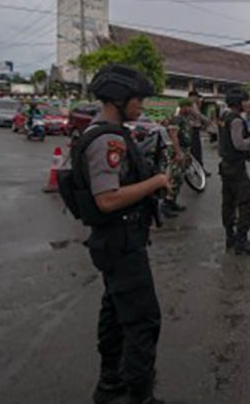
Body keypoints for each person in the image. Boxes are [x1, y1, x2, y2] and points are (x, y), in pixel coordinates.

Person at [72, 64, 171, 404]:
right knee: (143, 320)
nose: (141, 105)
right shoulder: (109, 139)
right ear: (119, 97)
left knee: (115, 314)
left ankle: (110, 386)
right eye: (138, 99)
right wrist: (156, 183)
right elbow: (107, 199)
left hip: (114, 241)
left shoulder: (105, 131)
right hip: (121, 242)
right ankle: (140, 396)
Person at [218, 88, 250, 255]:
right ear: (238, 103)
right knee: (246, 200)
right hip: (236, 167)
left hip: (225, 165)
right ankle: (241, 240)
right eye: (245, 100)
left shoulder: (223, 117)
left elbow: (224, 142)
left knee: (228, 202)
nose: (247, 103)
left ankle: (230, 237)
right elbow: (239, 144)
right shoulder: (236, 120)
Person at [161, 99, 196, 217]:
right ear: (183, 107)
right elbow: (173, 135)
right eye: (190, 107)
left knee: (180, 177)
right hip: (177, 150)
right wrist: (178, 152)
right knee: (174, 177)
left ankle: (172, 202)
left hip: (184, 150)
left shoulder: (185, 119)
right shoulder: (176, 118)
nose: (191, 109)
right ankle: (166, 203)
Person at [186, 91, 211, 175]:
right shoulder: (191, 104)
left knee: (193, 150)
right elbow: (197, 115)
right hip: (192, 129)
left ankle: (195, 169)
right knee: (196, 150)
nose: (198, 99)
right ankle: (199, 170)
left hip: (192, 129)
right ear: (192, 96)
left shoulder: (192, 104)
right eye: (197, 97)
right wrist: (207, 120)